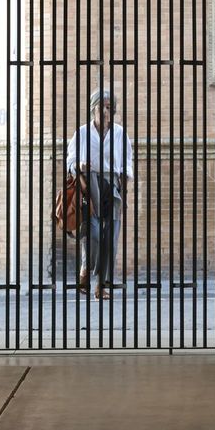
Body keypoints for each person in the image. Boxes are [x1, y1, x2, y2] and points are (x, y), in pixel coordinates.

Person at [64, 88, 134, 300]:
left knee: (110, 239)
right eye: (101, 107)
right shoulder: (82, 133)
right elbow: (69, 161)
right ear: (93, 108)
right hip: (89, 183)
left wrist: (124, 185)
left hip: (112, 184)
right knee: (93, 233)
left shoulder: (120, 133)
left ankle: (101, 286)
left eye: (109, 107)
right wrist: (79, 165)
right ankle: (86, 267)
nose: (105, 111)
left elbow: (127, 162)